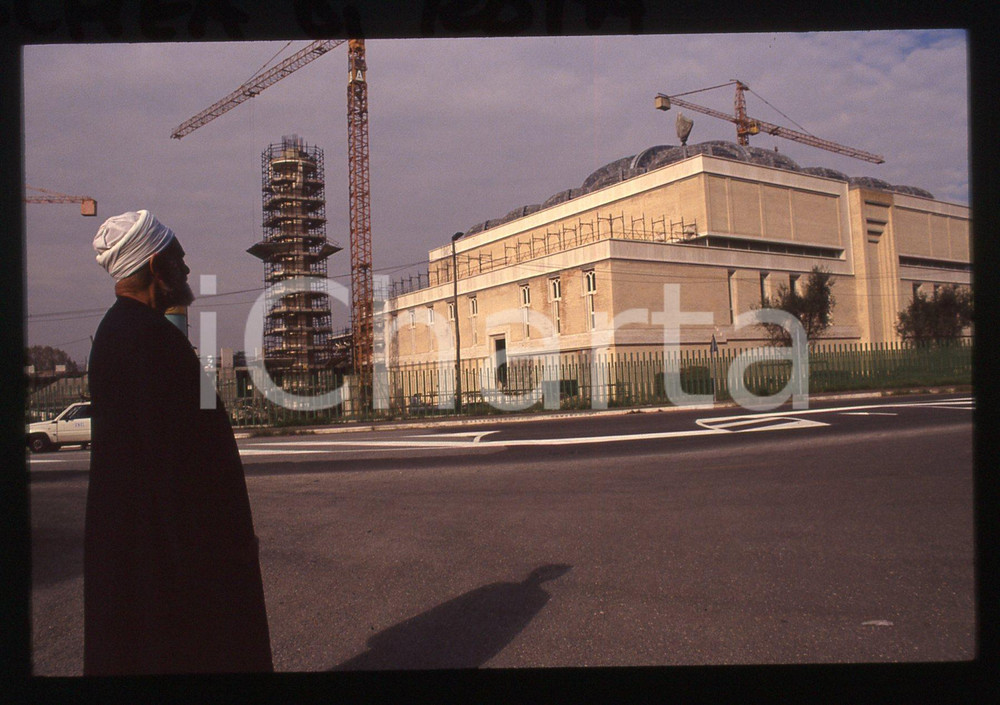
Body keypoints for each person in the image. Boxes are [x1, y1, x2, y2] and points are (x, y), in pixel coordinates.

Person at [84, 210, 273, 675]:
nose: (186, 270)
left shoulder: (123, 332)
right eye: (179, 259)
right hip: (174, 561)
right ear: (154, 266)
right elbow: (173, 468)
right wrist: (212, 558)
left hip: (154, 552)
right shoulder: (144, 341)